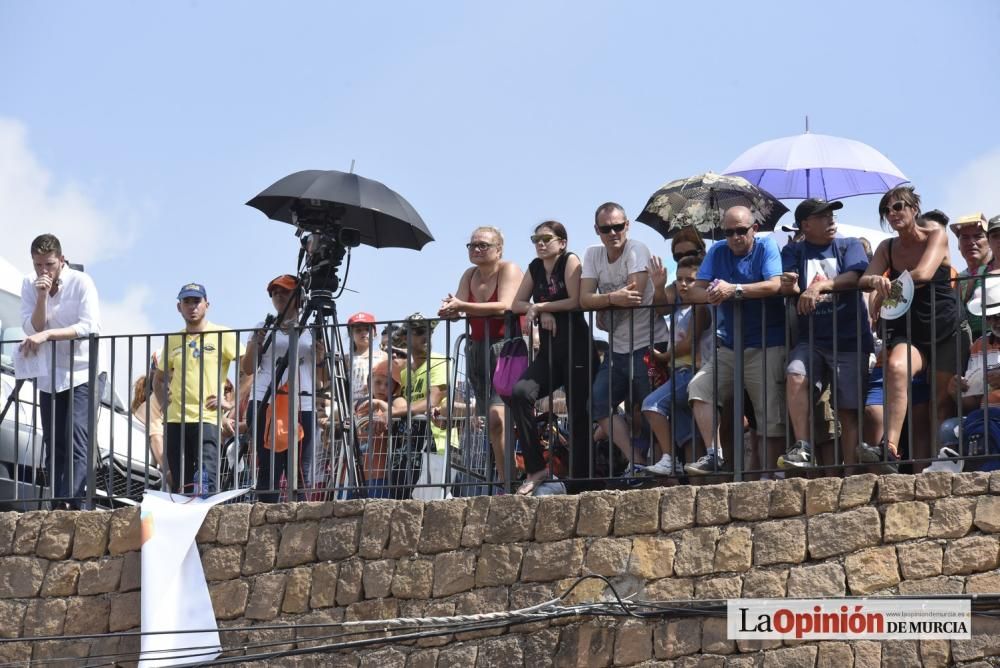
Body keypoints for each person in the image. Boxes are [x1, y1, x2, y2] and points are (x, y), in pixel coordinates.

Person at [860, 185, 971, 472]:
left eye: (898, 206)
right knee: (896, 367)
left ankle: (938, 468)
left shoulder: (937, 235)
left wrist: (885, 289)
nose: (893, 213)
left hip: (945, 327)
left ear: (913, 209)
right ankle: (890, 449)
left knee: (941, 402)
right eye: (887, 209)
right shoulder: (887, 247)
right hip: (909, 328)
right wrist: (874, 284)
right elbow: (865, 279)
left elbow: (922, 274)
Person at [684, 206, 786, 476]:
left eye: (741, 231)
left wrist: (735, 290)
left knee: (769, 417)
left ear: (754, 229)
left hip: (766, 343)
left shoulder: (766, 247)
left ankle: (768, 476)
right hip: (729, 345)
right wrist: (714, 294)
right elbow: (693, 292)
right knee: (699, 388)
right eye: (729, 232)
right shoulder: (718, 251)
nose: (735, 237)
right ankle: (713, 455)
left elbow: (774, 284)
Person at [777, 199, 872, 473]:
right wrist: (792, 287)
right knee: (796, 375)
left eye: (831, 214)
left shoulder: (849, 244)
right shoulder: (793, 250)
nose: (831, 219)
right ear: (805, 225)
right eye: (822, 216)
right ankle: (803, 447)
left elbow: (854, 276)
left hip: (850, 340)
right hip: (812, 340)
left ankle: (852, 474)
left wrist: (819, 288)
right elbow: (790, 286)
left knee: (847, 410)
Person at [579, 202, 670, 476]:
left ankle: (665, 465)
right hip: (618, 348)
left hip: (649, 344)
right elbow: (584, 300)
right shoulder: (593, 255)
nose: (613, 232)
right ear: (597, 230)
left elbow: (634, 295)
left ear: (627, 225)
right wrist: (610, 299)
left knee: (649, 407)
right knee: (596, 402)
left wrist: (602, 304)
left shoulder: (636, 249)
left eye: (618, 226)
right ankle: (638, 460)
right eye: (606, 228)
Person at [509, 221, 597, 495]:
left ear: (562, 242)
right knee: (520, 393)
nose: (540, 243)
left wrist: (542, 307)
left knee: (580, 414)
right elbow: (516, 304)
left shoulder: (570, 261)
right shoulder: (535, 267)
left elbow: (575, 300)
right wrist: (540, 311)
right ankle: (536, 468)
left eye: (547, 238)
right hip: (549, 352)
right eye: (536, 238)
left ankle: (582, 483)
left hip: (577, 348)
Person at [18, 234, 100, 509]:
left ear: (62, 260)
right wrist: (42, 297)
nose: (44, 271)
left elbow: (88, 326)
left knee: (77, 436)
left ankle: (75, 503)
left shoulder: (81, 282)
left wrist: (49, 335)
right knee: (54, 442)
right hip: (49, 376)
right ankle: (57, 503)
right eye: (38, 264)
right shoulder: (30, 284)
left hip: (82, 372)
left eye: (49, 264)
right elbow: (32, 329)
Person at [438, 227, 523, 484]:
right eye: (472, 245)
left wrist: (461, 306)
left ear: (499, 250)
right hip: (477, 350)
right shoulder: (470, 274)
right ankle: (506, 478)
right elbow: (461, 305)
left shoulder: (509, 269)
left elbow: (505, 305)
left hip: (506, 349)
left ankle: (508, 480)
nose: (476, 249)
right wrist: (450, 310)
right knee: (492, 420)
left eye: (483, 245)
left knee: (499, 417)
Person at [157, 283, 242, 495]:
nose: (192, 306)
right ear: (179, 307)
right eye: (187, 301)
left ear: (207, 305)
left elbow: (248, 369)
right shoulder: (173, 339)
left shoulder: (223, 334)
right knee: (180, 483)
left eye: (196, 301)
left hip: (207, 418)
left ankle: (207, 525)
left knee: (206, 482)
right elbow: (158, 379)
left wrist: (231, 403)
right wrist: (164, 404)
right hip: (176, 420)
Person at [241, 274, 317, 502]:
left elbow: (322, 376)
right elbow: (248, 367)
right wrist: (257, 341)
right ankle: (266, 520)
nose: (279, 296)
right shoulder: (262, 326)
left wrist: (321, 354)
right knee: (269, 466)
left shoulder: (312, 329)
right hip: (266, 399)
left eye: (285, 291)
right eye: (275, 293)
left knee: (300, 469)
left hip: (302, 401)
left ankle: (301, 522)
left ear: (298, 296)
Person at [642, 254, 712, 476]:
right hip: (678, 372)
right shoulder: (680, 305)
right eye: (679, 279)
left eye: (690, 280)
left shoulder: (700, 306)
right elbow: (659, 307)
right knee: (690, 437)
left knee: (651, 406)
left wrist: (663, 357)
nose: (683, 284)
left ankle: (669, 460)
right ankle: (696, 491)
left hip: (691, 372)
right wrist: (660, 286)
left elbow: (690, 343)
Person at [380, 313, 450, 498]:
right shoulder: (405, 373)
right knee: (401, 500)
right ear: (405, 338)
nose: (426, 336)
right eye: (419, 332)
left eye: (429, 331)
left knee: (431, 505)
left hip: (436, 444)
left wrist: (395, 411)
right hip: (410, 448)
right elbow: (408, 404)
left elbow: (431, 401)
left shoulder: (440, 362)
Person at [951, 212, 991, 339]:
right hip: (968, 351)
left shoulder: (997, 271)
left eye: (978, 236)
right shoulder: (956, 278)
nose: (971, 242)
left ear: (990, 241)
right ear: (958, 245)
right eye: (965, 237)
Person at [347, 311, 386, 403]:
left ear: (375, 333)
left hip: (377, 404)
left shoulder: (384, 356)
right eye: (358, 330)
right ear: (350, 334)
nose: (363, 333)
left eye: (367, 329)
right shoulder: (346, 359)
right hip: (352, 406)